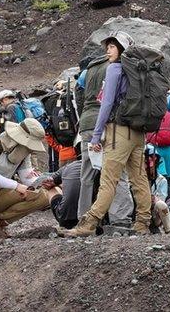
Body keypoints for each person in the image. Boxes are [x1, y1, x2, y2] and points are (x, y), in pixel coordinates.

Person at [62, 32, 154, 237]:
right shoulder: (139, 70)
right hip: (138, 132)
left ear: (121, 49)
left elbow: (107, 104)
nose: (107, 50)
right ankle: (142, 223)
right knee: (139, 180)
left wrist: (96, 136)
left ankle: (88, 223)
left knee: (108, 179)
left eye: (112, 46)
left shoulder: (115, 69)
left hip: (118, 131)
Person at [76, 41, 133, 225]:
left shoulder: (87, 70)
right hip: (108, 123)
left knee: (87, 173)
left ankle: (84, 217)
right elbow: (111, 100)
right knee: (116, 171)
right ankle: (119, 217)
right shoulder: (117, 66)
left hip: (86, 122)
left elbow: (79, 97)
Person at [146, 108, 170, 180]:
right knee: (168, 176)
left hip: (153, 148)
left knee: (155, 175)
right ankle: (167, 188)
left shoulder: (149, 113)